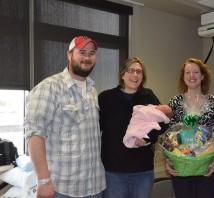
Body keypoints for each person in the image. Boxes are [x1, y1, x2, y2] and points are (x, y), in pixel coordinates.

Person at [24, 36, 106, 198]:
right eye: (82, 52)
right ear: (69, 55)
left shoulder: (92, 88)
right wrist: (43, 181)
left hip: (94, 186)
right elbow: (34, 136)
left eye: (92, 53)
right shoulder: (49, 87)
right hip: (63, 188)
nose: (87, 57)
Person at [98, 57, 170, 198]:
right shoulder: (106, 98)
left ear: (143, 76)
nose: (135, 75)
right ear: (122, 74)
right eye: (131, 70)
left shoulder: (148, 96)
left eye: (139, 72)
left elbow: (163, 122)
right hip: (113, 172)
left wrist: (147, 138)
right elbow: (95, 129)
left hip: (142, 171)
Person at [165, 58, 214, 198]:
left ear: (203, 76)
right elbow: (168, 136)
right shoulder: (174, 103)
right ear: (183, 77)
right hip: (181, 166)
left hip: (207, 166)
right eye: (188, 72)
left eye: (196, 72)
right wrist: (168, 160)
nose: (192, 76)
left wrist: (213, 160)